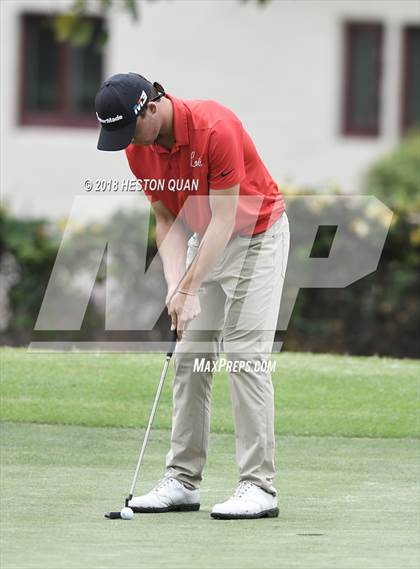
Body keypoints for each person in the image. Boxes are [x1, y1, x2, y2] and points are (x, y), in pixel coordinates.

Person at [95, 72, 290, 519]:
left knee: (244, 355)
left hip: (256, 237)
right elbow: (168, 221)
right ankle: (182, 480)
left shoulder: (214, 127)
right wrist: (175, 286)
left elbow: (224, 219)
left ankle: (259, 487)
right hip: (207, 238)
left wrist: (190, 285)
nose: (129, 142)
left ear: (152, 107)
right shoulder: (137, 150)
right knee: (190, 357)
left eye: (129, 128)